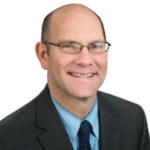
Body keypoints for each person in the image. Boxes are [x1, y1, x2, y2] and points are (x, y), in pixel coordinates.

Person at [0, 3, 149, 150]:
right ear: (43, 55)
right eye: (69, 46)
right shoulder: (7, 139)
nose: (85, 60)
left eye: (96, 46)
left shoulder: (134, 120)